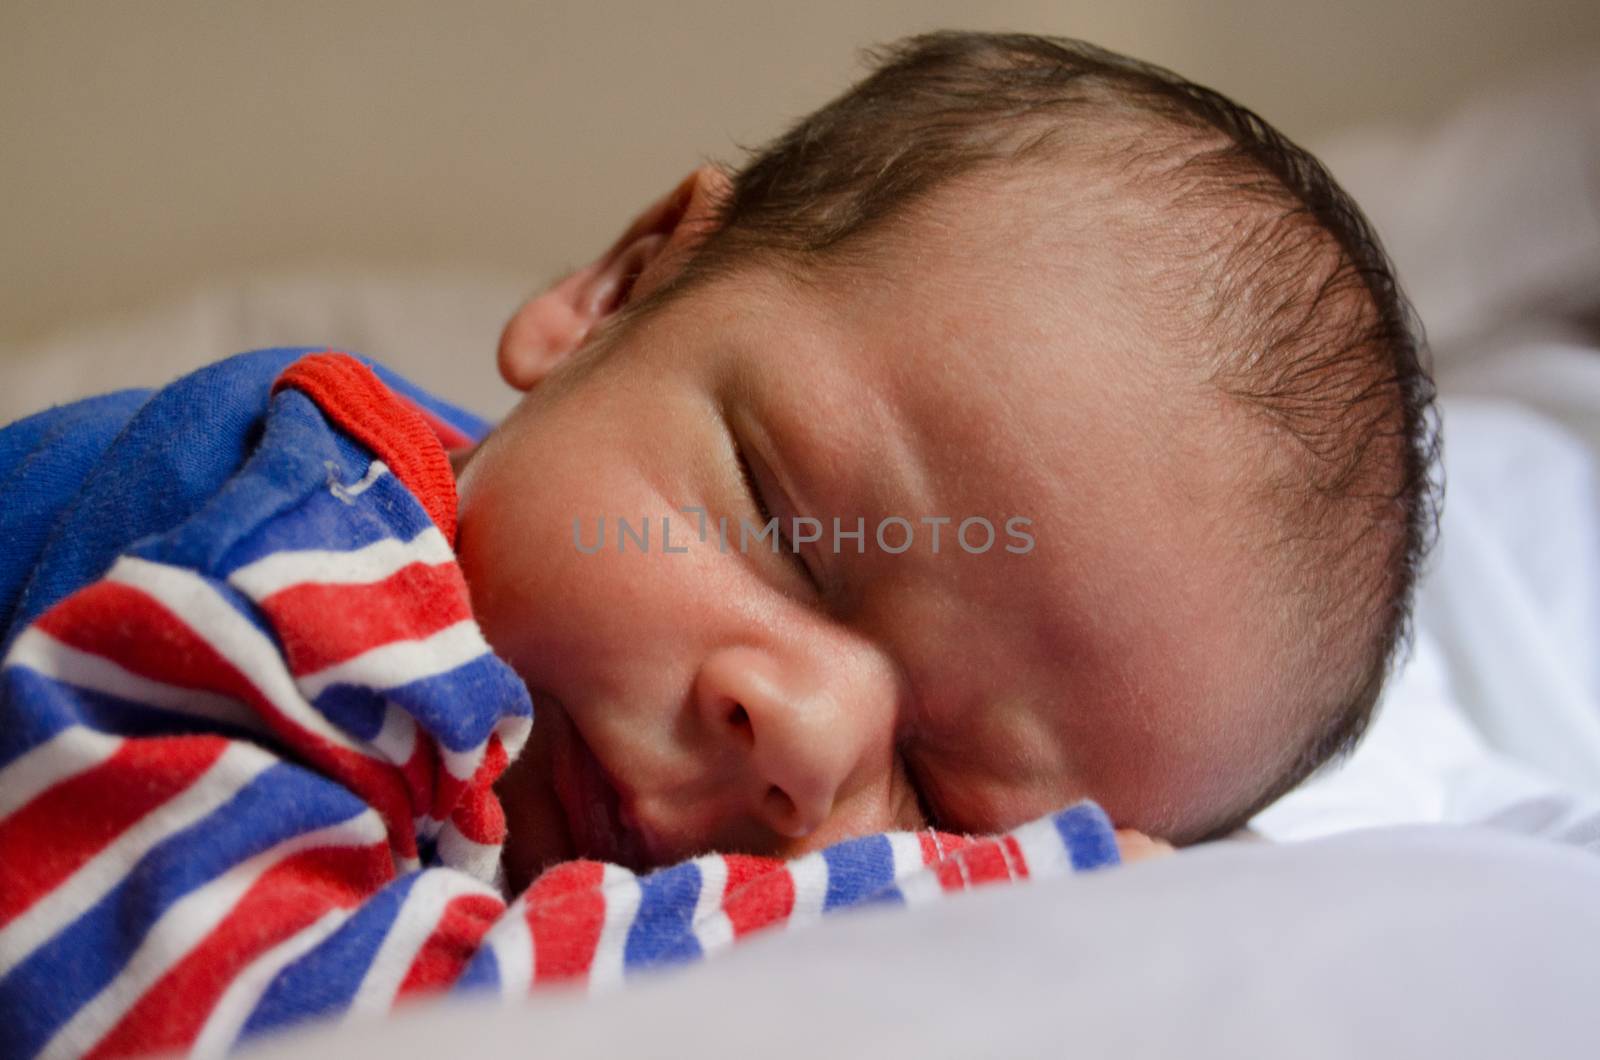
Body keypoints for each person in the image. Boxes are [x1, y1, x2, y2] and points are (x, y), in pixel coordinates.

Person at [0, 29, 1430, 1057]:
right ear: (626, 285)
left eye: (948, 793)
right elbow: (214, 1016)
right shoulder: (318, 562)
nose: (799, 735)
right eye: (793, 534)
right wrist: (979, 880)